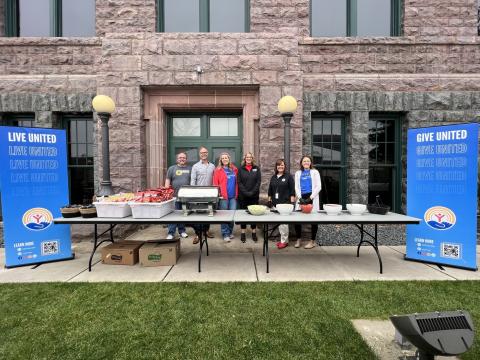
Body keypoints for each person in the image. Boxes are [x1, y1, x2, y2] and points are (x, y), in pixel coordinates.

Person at [294, 155, 321, 249]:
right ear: (301, 163)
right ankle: (298, 239)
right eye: (304, 161)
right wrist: (300, 198)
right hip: (301, 197)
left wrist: (311, 197)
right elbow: (296, 186)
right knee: (297, 219)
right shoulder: (298, 173)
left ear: (310, 163)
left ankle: (312, 241)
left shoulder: (315, 172)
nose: (306, 162)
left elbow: (318, 186)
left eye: (308, 161)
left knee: (314, 220)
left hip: (312, 196)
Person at [190, 146, 216, 244]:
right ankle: (197, 234)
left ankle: (206, 231)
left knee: (209, 212)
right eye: (201, 153)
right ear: (199, 154)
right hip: (198, 194)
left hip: (209, 193)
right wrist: (192, 193)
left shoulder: (212, 166)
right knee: (198, 214)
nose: (203, 154)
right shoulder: (195, 166)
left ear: (207, 153)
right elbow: (193, 180)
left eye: (205, 152)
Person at [268, 159, 295, 249]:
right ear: (276, 167)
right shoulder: (273, 177)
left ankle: (284, 241)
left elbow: (292, 190)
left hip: (285, 203)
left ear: (284, 166)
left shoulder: (288, 176)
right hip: (275, 204)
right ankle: (282, 240)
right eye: (279, 165)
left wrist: (291, 202)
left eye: (282, 165)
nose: (280, 167)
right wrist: (269, 200)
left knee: (284, 224)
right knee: (280, 224)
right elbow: (270, 190)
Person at [165, 152, 191, 240]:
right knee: (173, 215)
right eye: (180, 157)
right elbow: (168, 181)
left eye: (184, 158)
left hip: (185, 197)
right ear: (177, 159)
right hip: (174, 196)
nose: (182, 159)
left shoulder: (190, 169)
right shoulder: (172, 168)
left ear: (186, 159)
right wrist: (166, 192)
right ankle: (171, 233)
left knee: (182, 214)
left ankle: (182, 231)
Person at [212, 152, 238, 242]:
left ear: (229, 159)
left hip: (233, 197)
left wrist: (236, 194)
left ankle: (230, 232)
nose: (224, 159)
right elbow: (215, 184)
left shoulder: (234, 169)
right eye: (223, 158)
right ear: (221, 160)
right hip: (223, 197)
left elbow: (237, 183)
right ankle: (225, 234)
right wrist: (219, 195)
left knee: (232, 216)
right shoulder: (217, 170)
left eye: (226, 158)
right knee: (224, 216)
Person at [238, 152, 261, 243]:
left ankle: (253, 232)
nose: (248, 159)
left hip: (254, 196)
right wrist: (246, 193)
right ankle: (243, 233)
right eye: (247, 157)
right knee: (243, 215)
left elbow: (258, 182)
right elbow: (239, 182)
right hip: (243, 196)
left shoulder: (256, 168)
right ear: (245, 159)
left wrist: (252, 192)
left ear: (252, 159)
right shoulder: (240, 169)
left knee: (253, 214)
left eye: (250, 157)